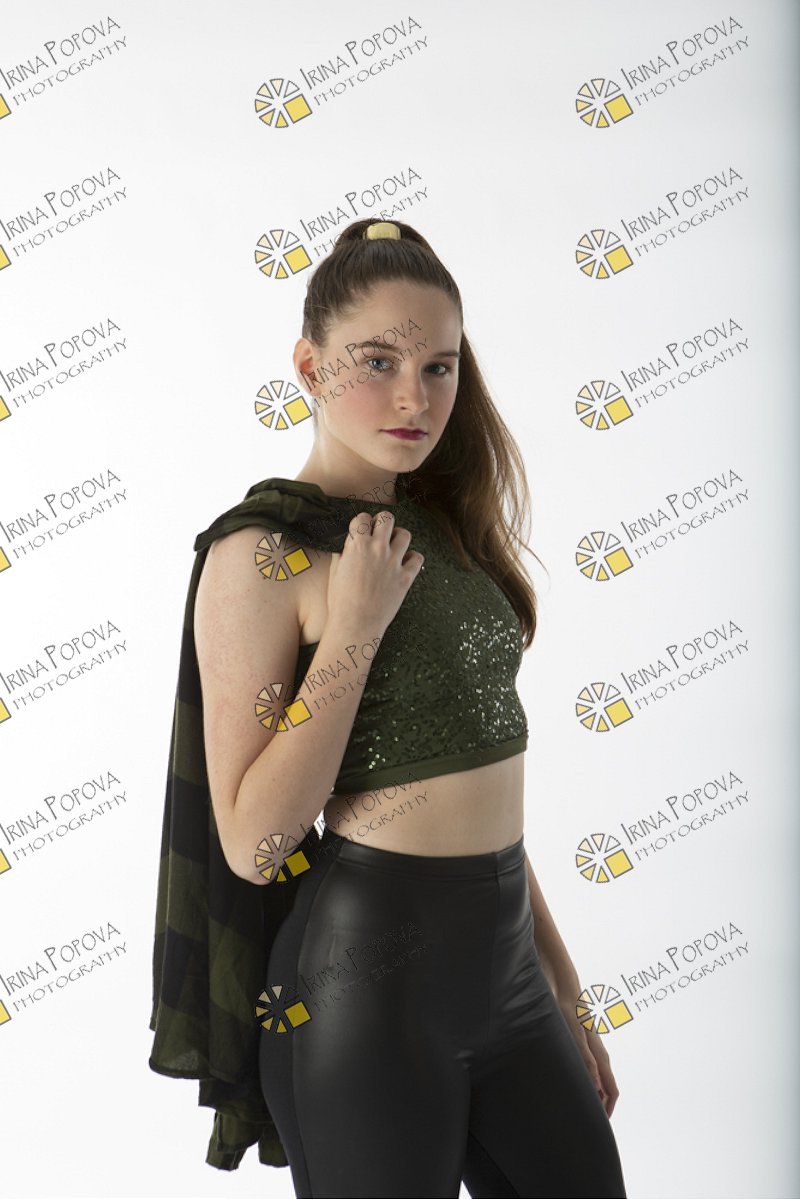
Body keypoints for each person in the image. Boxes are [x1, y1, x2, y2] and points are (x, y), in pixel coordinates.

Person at [192, 218, 628, 1197]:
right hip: (365, 987)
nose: (414, 397)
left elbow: (482, 793)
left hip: (508, 969)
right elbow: (254, 842)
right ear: (309, 365)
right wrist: (351, 633)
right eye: (378, 361)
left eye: (438, 367)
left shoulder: (442, 527)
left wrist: (562, 986)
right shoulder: (261, 553)